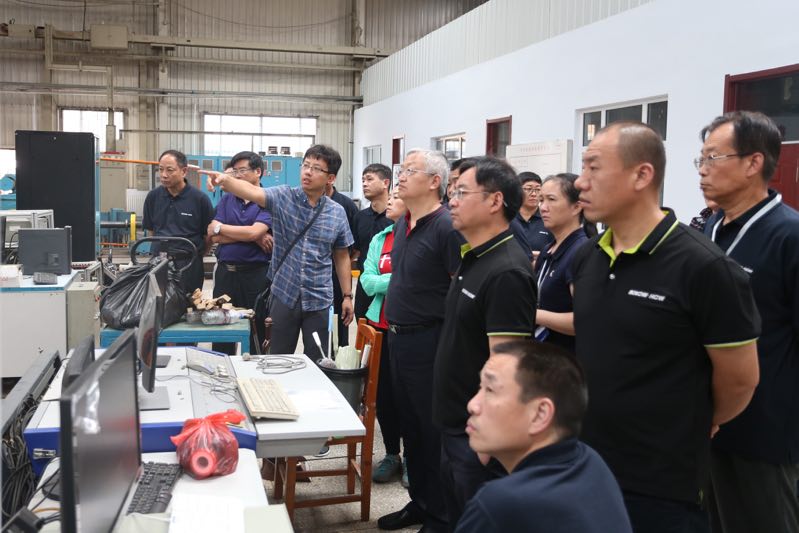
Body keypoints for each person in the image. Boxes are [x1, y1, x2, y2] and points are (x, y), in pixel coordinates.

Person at [571, 121, 761, 533]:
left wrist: (690, 419)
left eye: (593, 168)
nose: (580, 182)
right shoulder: (590, 256)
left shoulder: (704, 268)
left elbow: (740, 380)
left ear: (642, 174)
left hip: (660, 483)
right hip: (587, 463)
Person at [697, 111, 799, 533]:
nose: (702, 170)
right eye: (700, 159)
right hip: (706, 422)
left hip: (764, 432)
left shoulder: (788, 235)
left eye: (713, 158)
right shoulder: (710, 230)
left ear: (754, 163)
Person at [433, 156, 537, 528]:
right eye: (452, 192)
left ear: (495, 201)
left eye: (462, 192)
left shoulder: (507, 270)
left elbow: (507, 363)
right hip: (455, 424)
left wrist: (489, 436)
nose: (452, 201)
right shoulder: (475, 256)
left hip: (477, 436)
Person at [456, 340, 633, 533]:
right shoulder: (590, 461)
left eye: (490, 390)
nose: (472, 405)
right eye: (479, 388)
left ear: (540, 414)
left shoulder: (500, 503)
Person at [377, 149, 463, 533]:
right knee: (410, 426)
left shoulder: (447, 228)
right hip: (398, 339)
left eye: (410, 170)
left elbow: (460, 291)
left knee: (432, 433)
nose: (401, 176)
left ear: (434, 181)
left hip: (431, 341)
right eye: (401, 169)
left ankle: (441, 516)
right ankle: (421, 503)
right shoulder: (403, 224)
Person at [208, 144, 353, 356]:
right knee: (276, 359)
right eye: (305, 165)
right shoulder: (284, 197)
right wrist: (225, 180)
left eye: (316, 168)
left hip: (319, 298)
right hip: (284, 294)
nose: (308, 172)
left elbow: (341, 255)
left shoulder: (337, 213)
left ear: (330, 178)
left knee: (319, 360)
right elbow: (253, 191)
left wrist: (347, 295)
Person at [360, 189, 407, 485]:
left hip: (411, 328)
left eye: (397, 195)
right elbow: (367, 282)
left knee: (411, 397)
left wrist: (389, 279)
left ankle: (414, 455)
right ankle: (392, 454)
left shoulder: (421, 235)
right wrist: (397, 278)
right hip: (381, 325)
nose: (390, 200)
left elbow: (420, 278)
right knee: (384, 395)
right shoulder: (381, 238)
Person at [207, 151, 272, 354]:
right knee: (220, 326)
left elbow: (253, 232)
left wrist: (223, 228)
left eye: (242, 170)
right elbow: (214, 236)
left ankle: (254, 370)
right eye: (234, 171)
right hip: (226, 275)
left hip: (255, 275)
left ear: (258, 172)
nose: (237, 175)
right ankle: (221, 367)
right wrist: (252, 236)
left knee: (255, 328)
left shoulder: (268, 200)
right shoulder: (227, 200)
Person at [143, 149, 214, 294]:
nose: (164, 175)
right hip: (159, 263)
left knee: (190, 302)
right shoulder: (153, 197)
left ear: (184, 171)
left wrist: (195, 255)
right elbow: (151, 231)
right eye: (160, 169)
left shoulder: (199, 199)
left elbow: (208, 236)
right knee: (158, 303)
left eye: (170, 170)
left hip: (188, 265)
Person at [533, 173, 589, 353]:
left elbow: (584, 321)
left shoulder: (581, 251)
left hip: (566, 359)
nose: (543, 207)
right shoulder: (548, 249)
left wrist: (532, 314)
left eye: (551, 199)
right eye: (541, 200)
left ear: (576, 207)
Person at [352, 163, 393, 321]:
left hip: (388, 288)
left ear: (385, 183)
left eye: (369, 179)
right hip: (364, 287)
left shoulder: (396, 218)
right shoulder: (360, 217)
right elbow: (355, 251)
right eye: (363, 180)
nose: (364, 184)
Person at [325, 174, 359, 349]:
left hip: (338, 274)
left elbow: (355, 242)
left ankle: (340, 356)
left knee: (340, 320)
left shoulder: (346, 205)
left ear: (330, 178)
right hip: (316, 275)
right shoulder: (303, 204)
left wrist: (345, 263)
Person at [514, 172, 553, 258]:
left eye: (538, 189)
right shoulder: (509, 219)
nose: (534, 194)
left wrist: (542, 256)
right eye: (528, 189)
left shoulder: (548, 218)